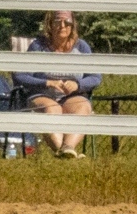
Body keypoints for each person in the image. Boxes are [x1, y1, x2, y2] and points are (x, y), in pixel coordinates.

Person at [12, 11, 100, 159]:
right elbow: (19, 75)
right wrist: (46, 83)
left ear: (73, 25)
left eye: (67, 22)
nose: (62, 26)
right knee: (52, 108)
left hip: (71, 96)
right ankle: (65, 153)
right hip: (42, 95)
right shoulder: (38, 47)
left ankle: (67, 150)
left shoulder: (81, 47)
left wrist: (77, 85)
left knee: (83, 107)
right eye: (57, 22)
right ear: (50, 25)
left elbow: (95, 77)